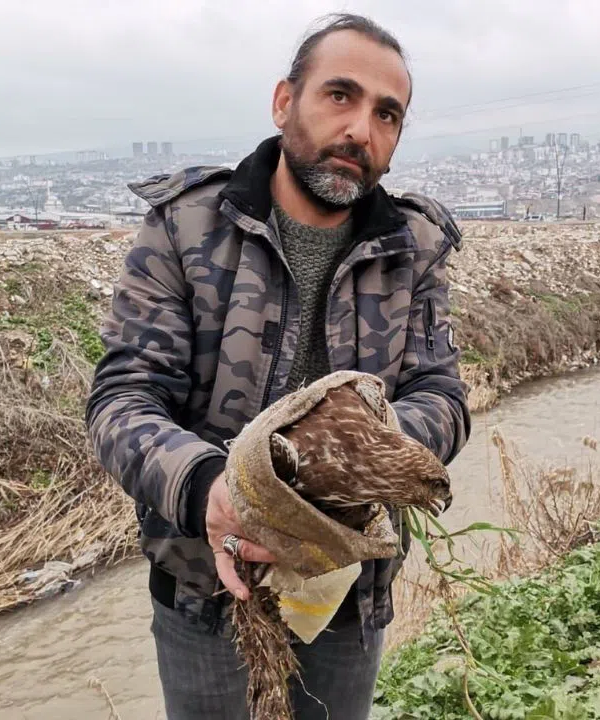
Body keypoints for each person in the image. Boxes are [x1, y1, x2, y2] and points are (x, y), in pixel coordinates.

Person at [85, 13, 471, 719]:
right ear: (283, 101)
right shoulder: (187, 224)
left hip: (348, 589)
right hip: (207, 589)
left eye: (388, 114)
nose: (360, 128)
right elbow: (123, 399)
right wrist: (210, 487)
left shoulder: (415, 246)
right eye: (339, 96)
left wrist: (351, 458)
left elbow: (442, 396)